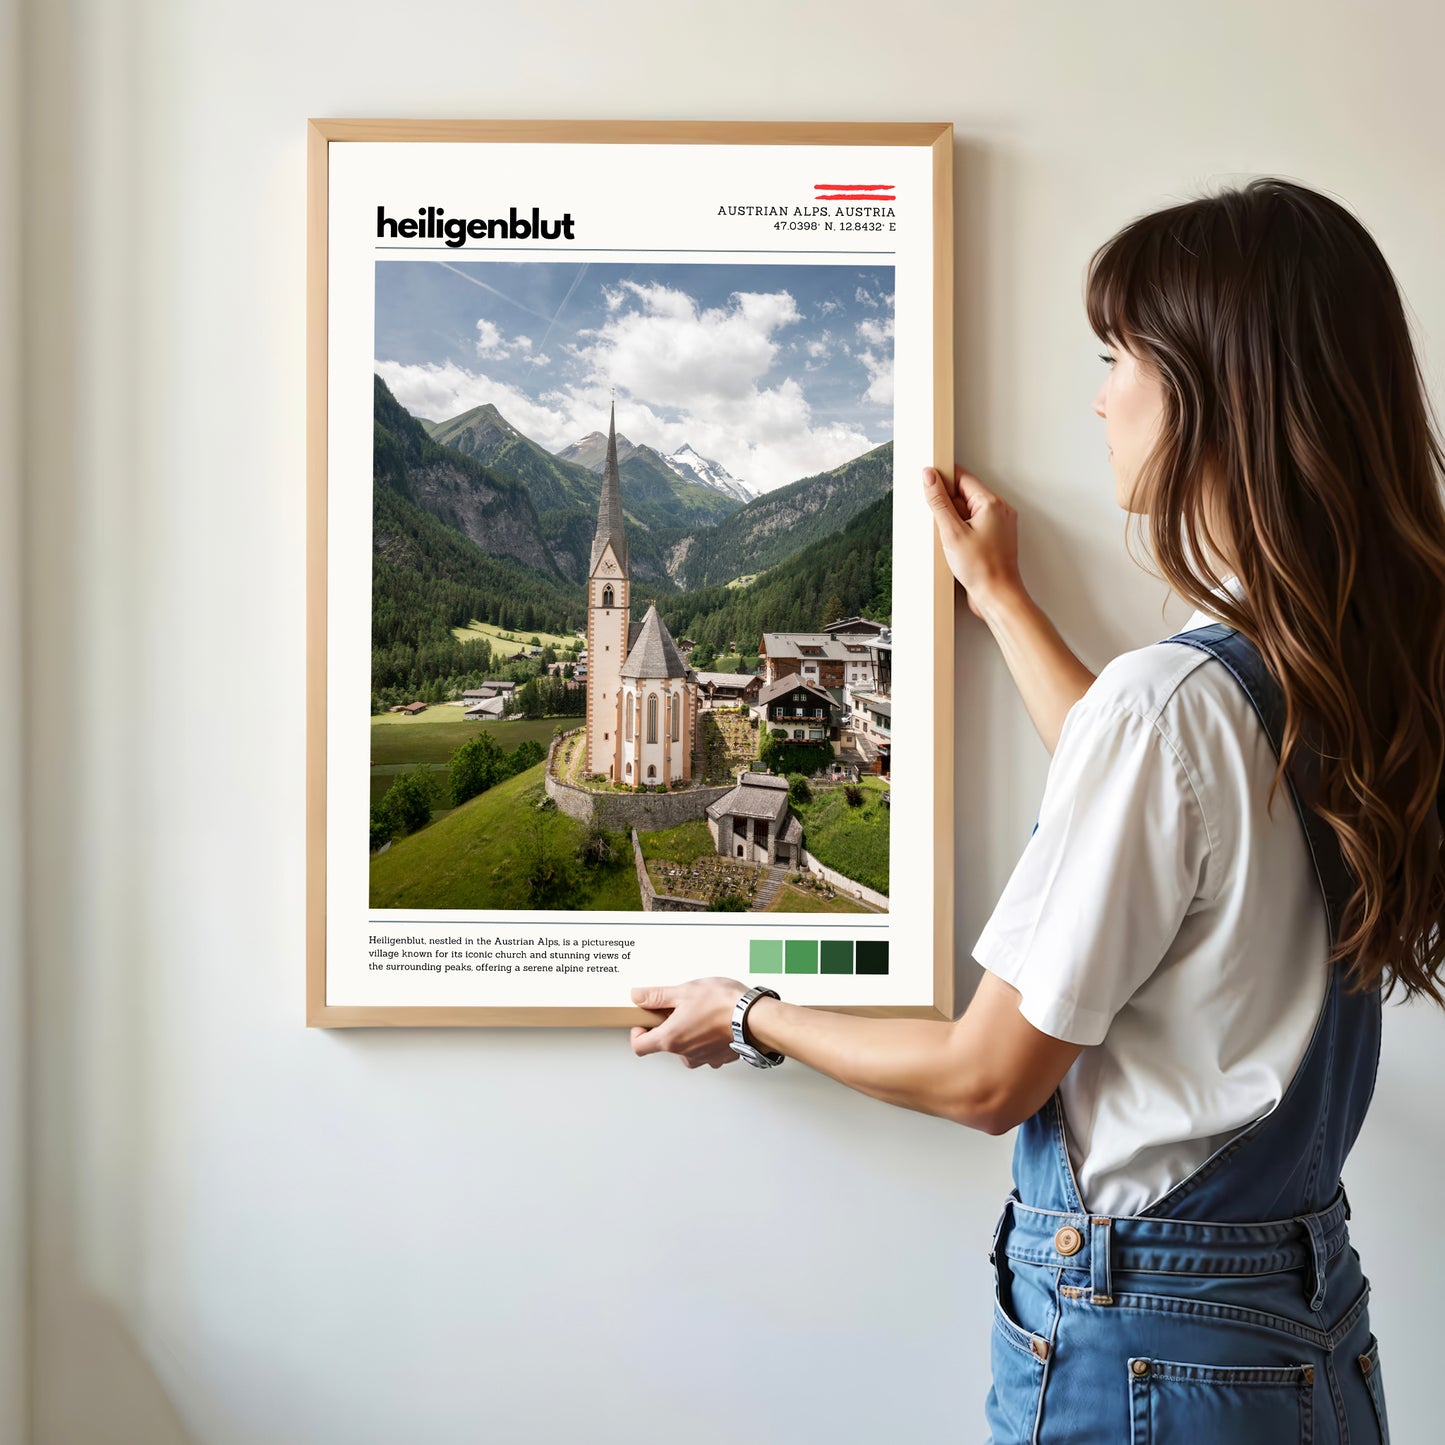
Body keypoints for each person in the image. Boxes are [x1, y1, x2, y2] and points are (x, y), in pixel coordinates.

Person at [627, 177, 1445, 1443]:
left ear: (1214, 392)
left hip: (1146, 1349)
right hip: (1298, 1327)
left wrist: (747, 1010)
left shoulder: (1174, 703)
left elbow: (984, 1075)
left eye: (1119, 355)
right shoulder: (1337, 667)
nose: (1099, 392)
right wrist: (1001, 597)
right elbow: (1166, 820)